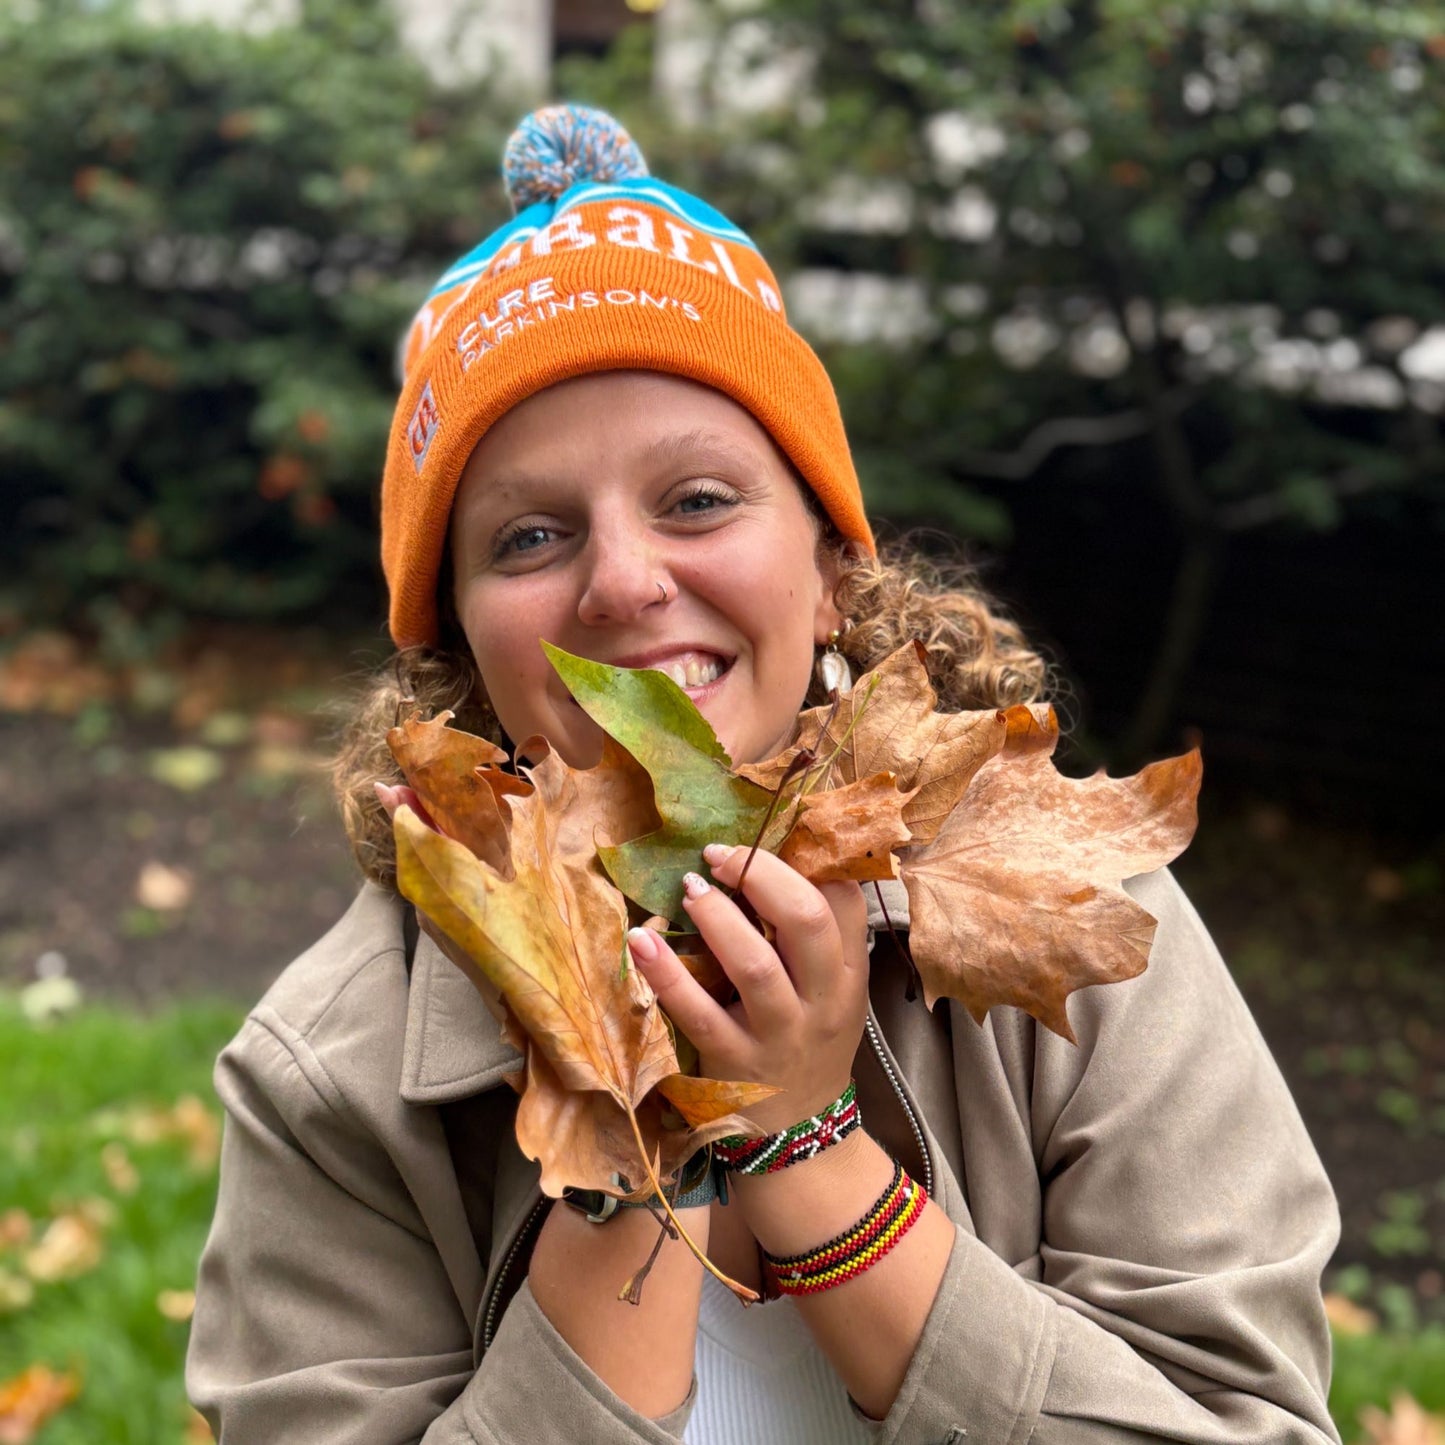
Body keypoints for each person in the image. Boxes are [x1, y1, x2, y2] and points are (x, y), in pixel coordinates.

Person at [186, 105, 1342, 1444]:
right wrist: (626, 1134)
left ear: (834, 565)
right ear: (457, 643)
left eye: (697, 500)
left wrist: (804, 1145)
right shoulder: (330, 1070)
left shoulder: (1074, 919)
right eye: (530, 535)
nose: (624, 583)